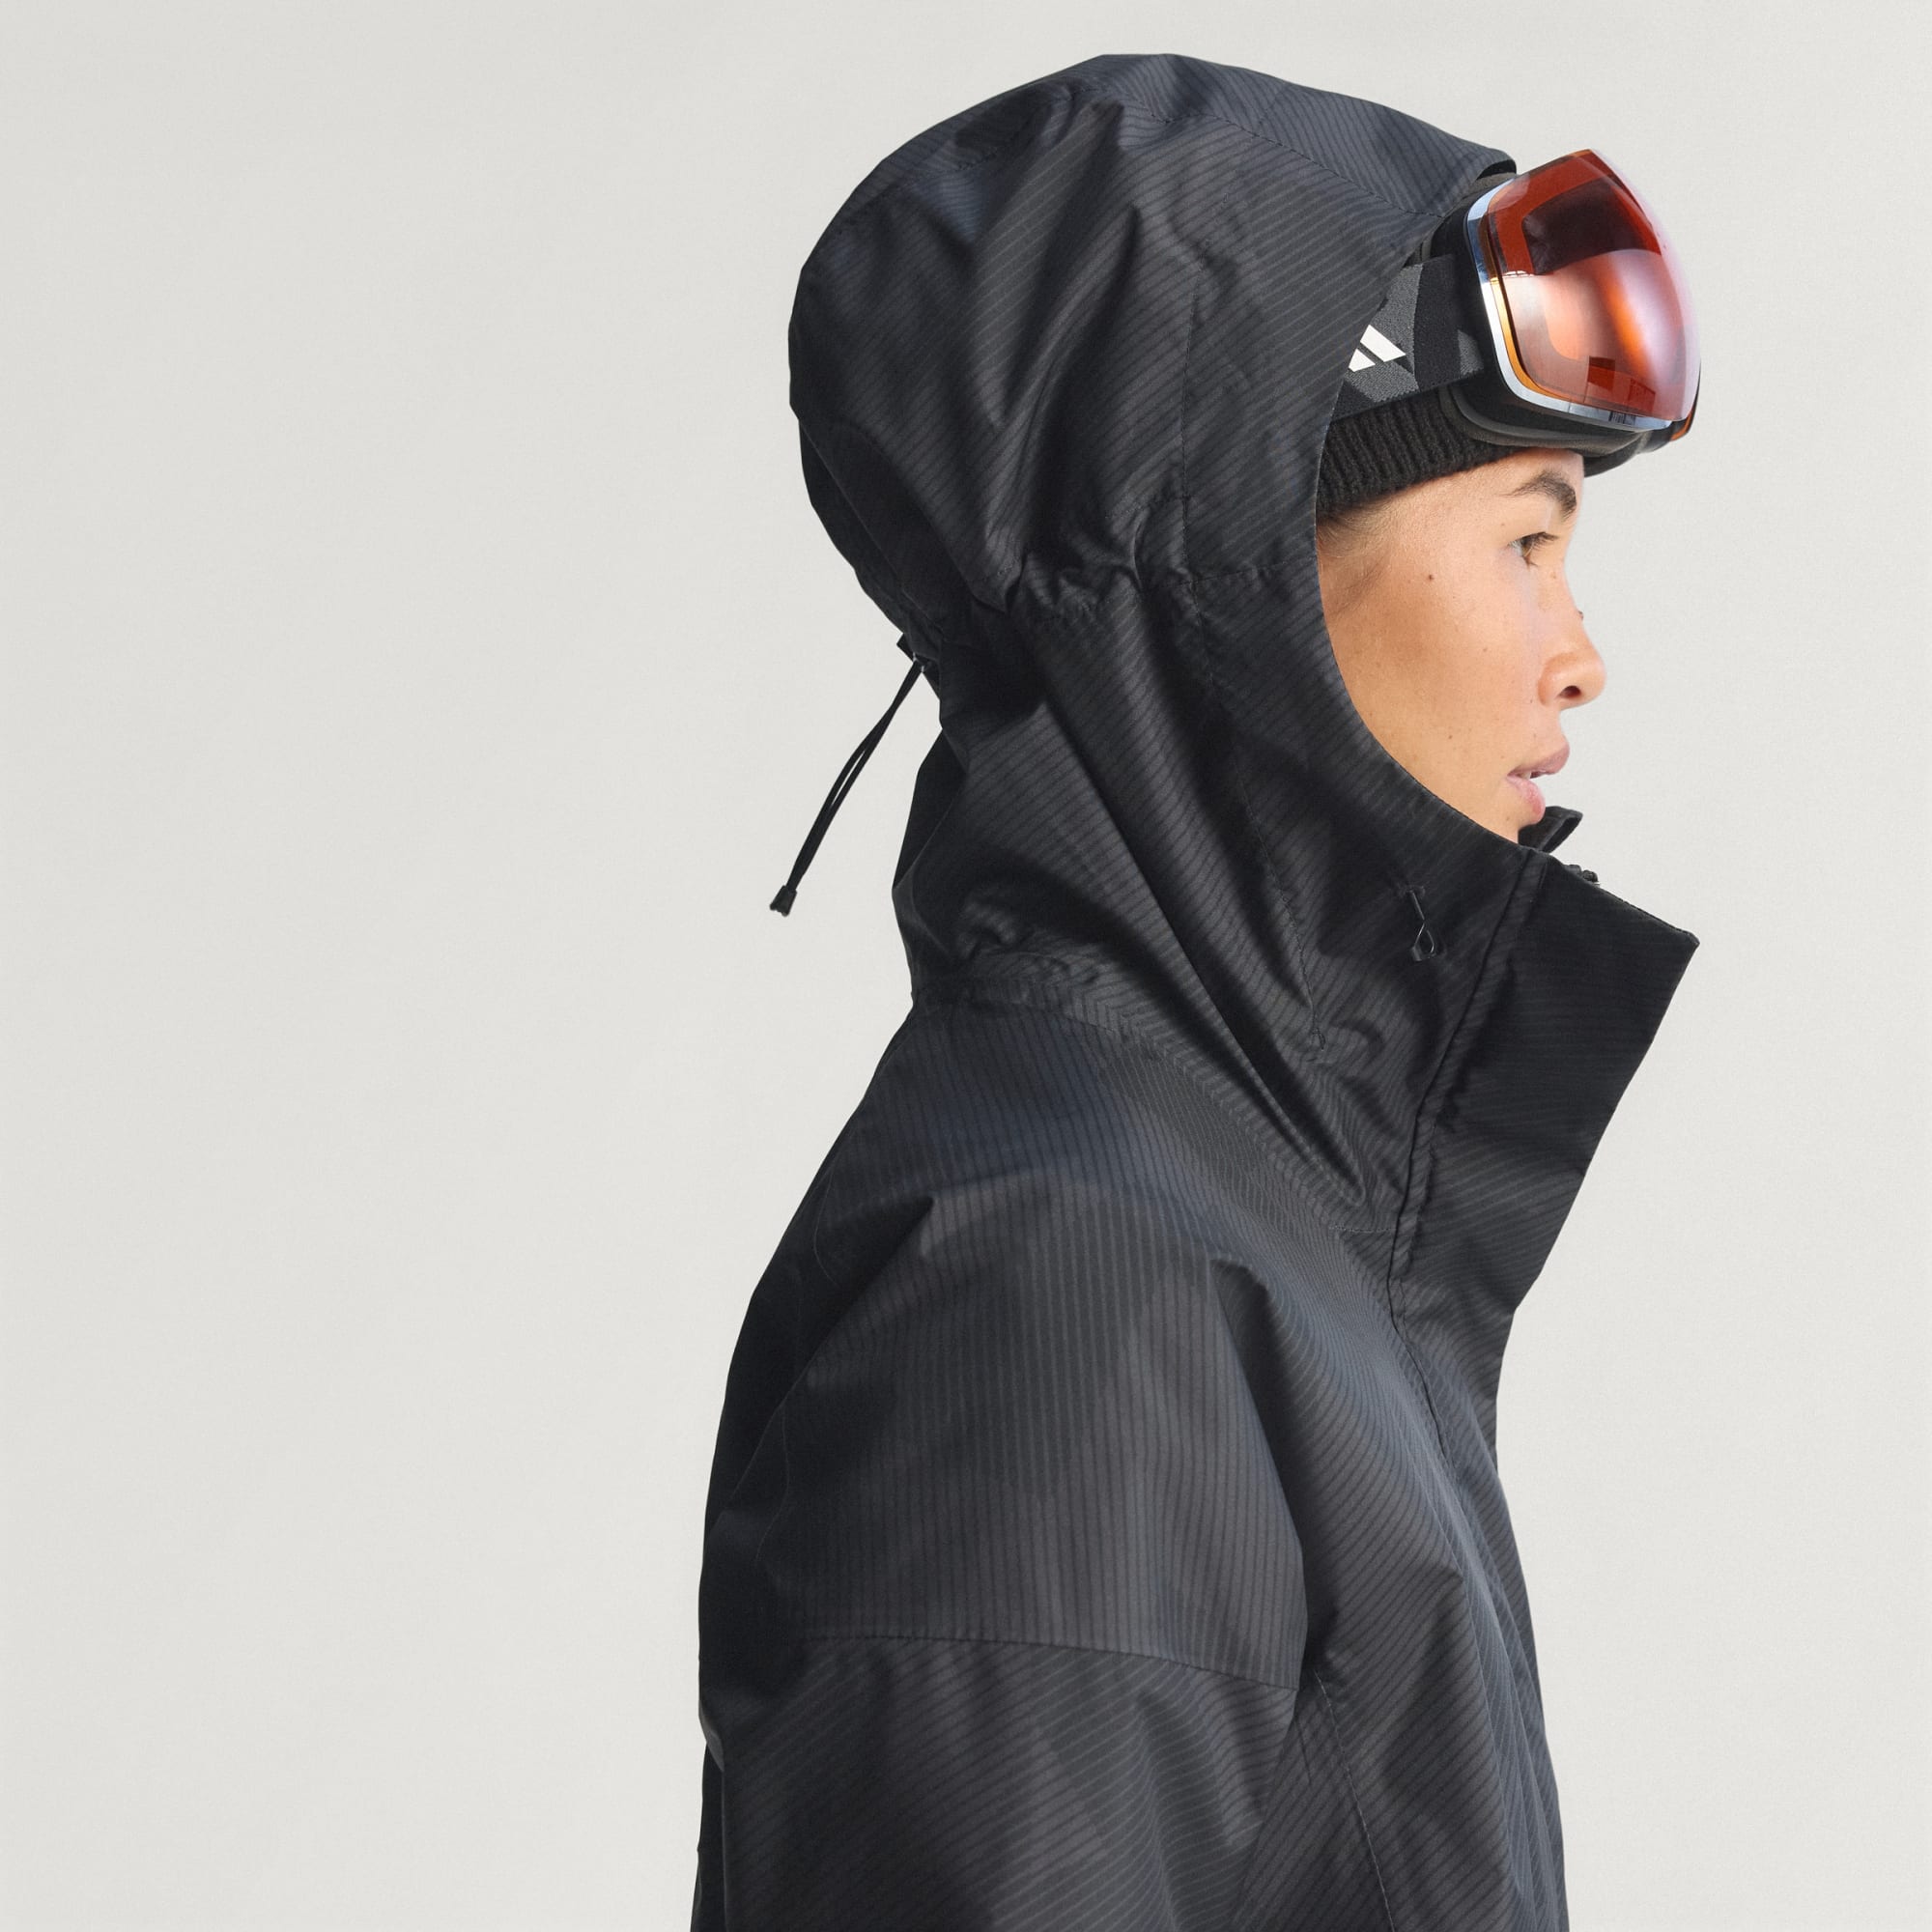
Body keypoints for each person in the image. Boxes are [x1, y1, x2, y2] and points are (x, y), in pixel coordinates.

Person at [695, 51, 1702, 1931]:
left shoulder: (1257, 1233)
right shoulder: (1065, 1286)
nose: (1578, 657)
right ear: (1237, 581)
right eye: (1526, 538)